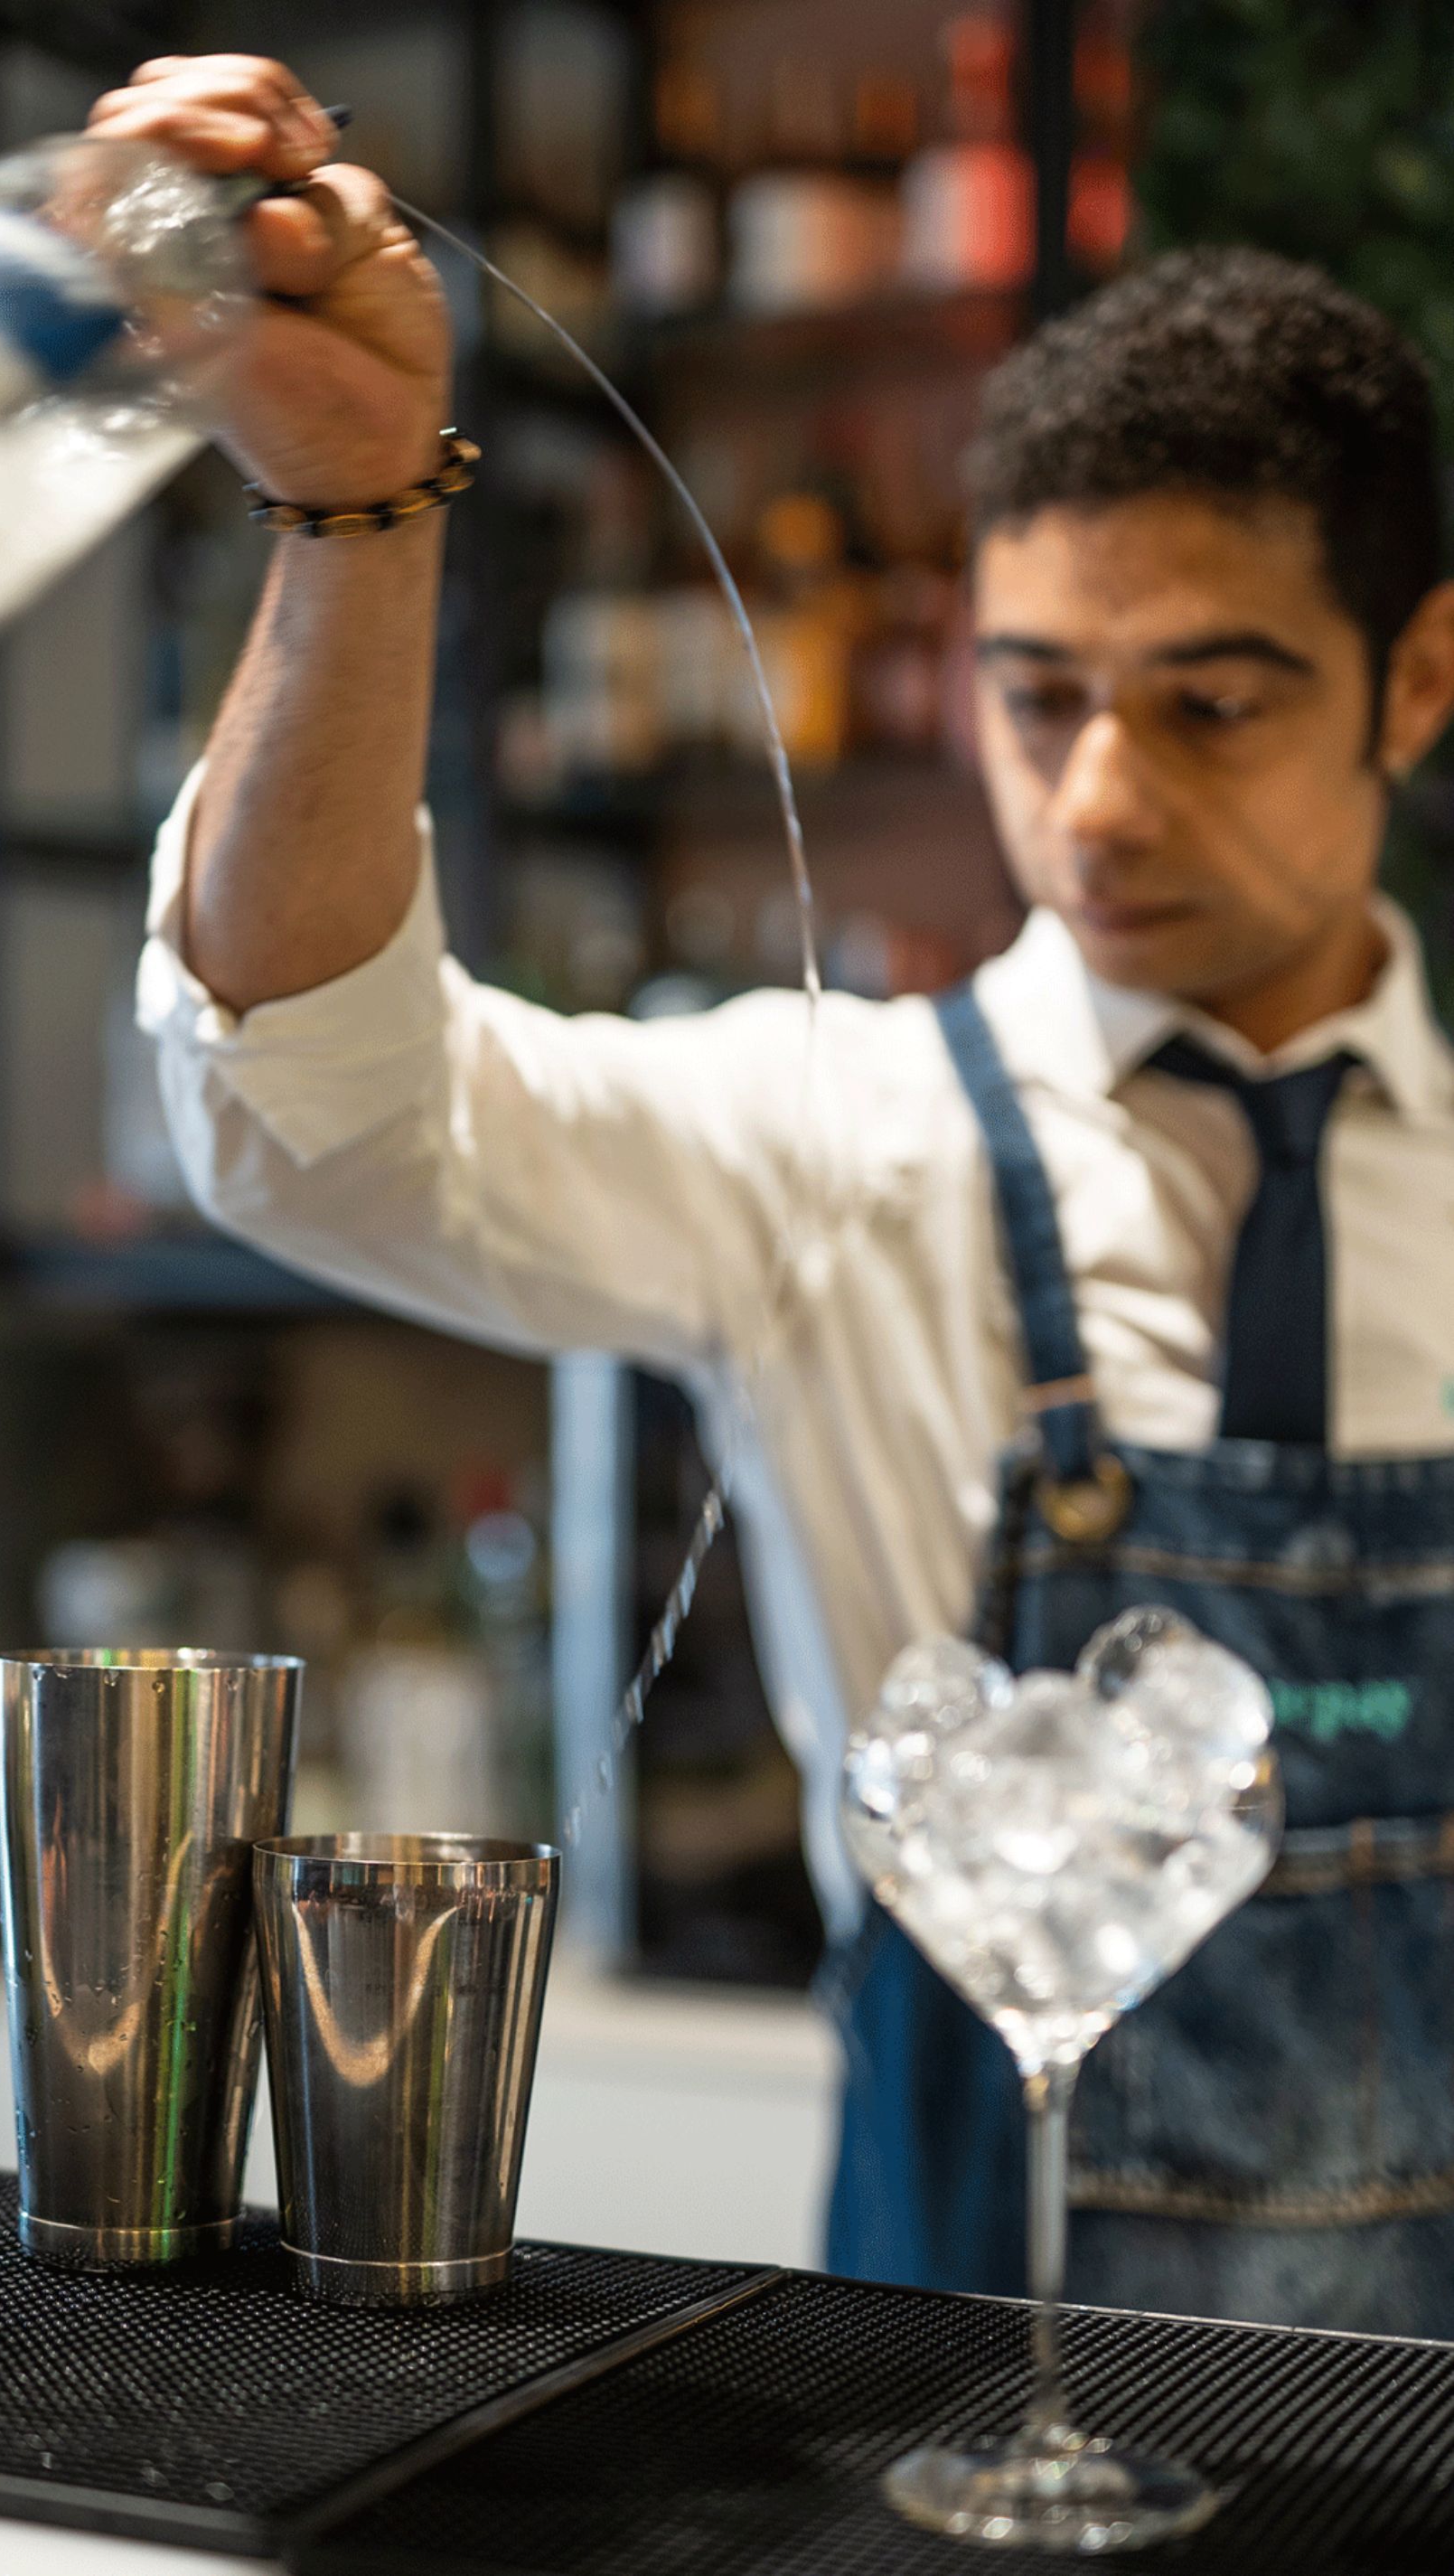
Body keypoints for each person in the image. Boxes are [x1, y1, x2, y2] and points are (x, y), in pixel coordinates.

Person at [104, 57, 1454, 2336]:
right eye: (1036, 702)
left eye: (1207, 705)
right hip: (953, 2391)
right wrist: (359, 515)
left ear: (1410, 685)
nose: (1097, 802)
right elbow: (303, 1114)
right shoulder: (830, 1138)